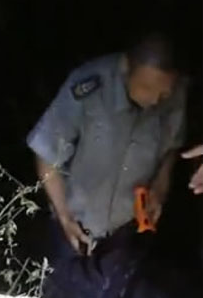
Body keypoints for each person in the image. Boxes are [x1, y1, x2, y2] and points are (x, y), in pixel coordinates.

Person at [27, 33, 187, 256]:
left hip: (127, 231)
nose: (154, 100)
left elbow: (171, 147)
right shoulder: (89, 85)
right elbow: (46, 151)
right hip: (74, 225)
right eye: (146, 88)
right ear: (126, 67)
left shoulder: (175, 93)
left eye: (163, 94)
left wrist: (160, 189)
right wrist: (64, 217)